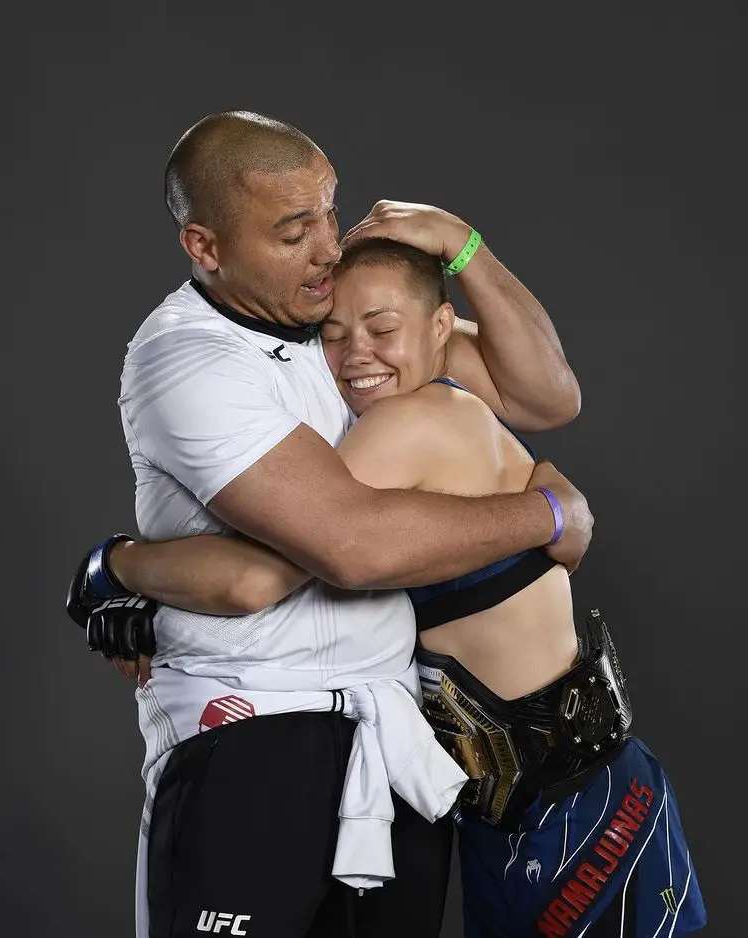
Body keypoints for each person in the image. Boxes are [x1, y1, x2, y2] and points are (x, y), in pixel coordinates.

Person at [66, 109, 595, 938]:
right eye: (291, 231)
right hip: (249, 724)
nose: (326, 248)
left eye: (328, 213)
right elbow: (349, 546)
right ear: (206, 248)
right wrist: (548, 511)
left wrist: (465, 247)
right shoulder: (187, 357)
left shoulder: (336, 314)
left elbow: (544, 396)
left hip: (393, 730)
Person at [98, 237, 706, 937]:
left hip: (577, 806)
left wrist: (112, 567)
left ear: (441, 330)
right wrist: (553, 507)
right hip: (509, 811)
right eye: (332, 334)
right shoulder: (419, 406)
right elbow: (545, 395)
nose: (357, 354)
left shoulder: (411, 420)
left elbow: (258, 574)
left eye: (383, 330)